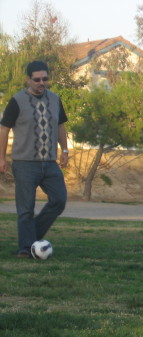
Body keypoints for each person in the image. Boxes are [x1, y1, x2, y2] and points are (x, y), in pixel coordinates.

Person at [0, 60, 69, 258]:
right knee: (25, 209)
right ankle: (25, 249)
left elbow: (60, 126)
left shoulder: (55, 99)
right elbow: (4, 129)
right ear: (28, 79)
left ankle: (31, 239)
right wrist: (2, 158)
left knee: (59, 200)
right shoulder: (17, 101)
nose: (41, 83)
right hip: (24, 164)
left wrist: (64, 150)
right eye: (37, 79)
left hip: (50, 163)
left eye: (45, 79)